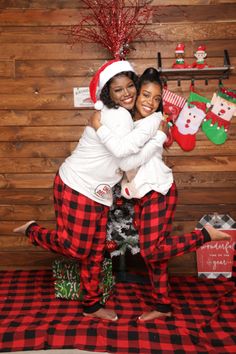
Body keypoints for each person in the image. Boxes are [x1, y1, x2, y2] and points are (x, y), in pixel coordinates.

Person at [13, 59, 163, 322]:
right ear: (108, 93)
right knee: (79, 249)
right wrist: (158, 136)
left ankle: (91, 306)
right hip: (77, 185)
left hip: (98, 192)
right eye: (119, 90)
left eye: (131, 86)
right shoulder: (116, 117)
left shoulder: (124, 116)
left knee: (94, 253)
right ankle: (33, 231)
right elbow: (126, 161)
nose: (127, 93)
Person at [90, 67, 231, 322]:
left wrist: (101, 128)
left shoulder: (154, 121)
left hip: (159, 191)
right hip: (144, 194)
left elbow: (125, 159)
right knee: (157, 255)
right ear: (137, 92)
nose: (150, 102)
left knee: (152, 252)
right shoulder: (132, 120)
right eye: (146, 95)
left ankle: (204, 235)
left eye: (156, 99)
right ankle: (163, 306)